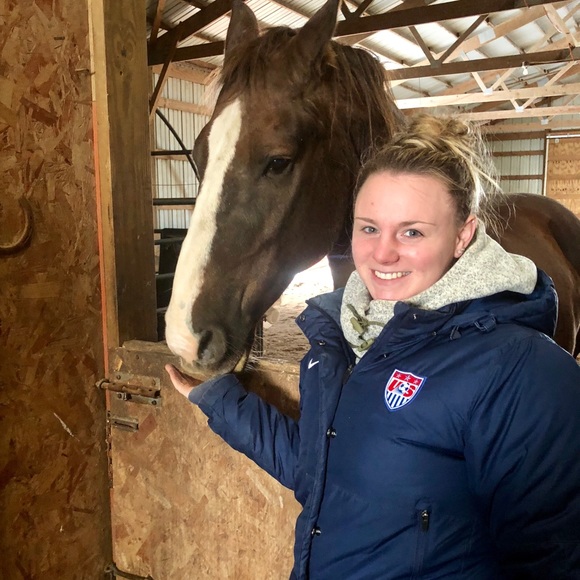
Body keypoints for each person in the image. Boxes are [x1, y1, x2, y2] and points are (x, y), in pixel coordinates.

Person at [166, 114, 580, 579]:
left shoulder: (524, 370)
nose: (383, 254)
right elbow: (321, 471)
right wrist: (219, 399)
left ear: (463, 235)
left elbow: (553, 557)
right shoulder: (343, 338)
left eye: (412, 231)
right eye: (369, 228)